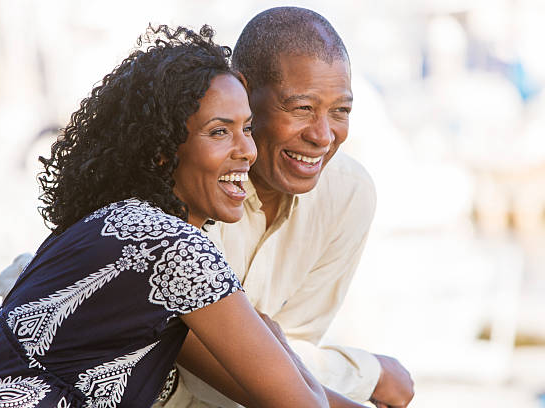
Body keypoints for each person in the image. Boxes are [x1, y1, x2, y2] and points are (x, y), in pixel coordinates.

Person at [0, 25, 337, 408]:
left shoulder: (110, 223)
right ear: (162, 151)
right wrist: (278, 340)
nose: (246, 151)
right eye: (219, 132)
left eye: (247, 129)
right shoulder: (176, 248)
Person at [157, 7, 415, 408]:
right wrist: (368, 376)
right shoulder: (191, 179)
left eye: (340, 111)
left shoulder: (347, 193)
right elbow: (204, 354)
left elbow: (289, 354)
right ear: (243, 92)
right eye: (302, 108)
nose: (323, 135)